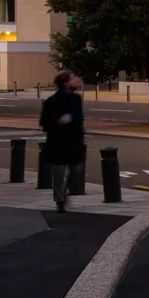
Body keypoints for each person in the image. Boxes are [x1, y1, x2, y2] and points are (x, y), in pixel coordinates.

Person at [39, 70, 86, 213]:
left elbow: (79, 120)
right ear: (65, 83)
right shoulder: (51, 102)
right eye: (73, 78)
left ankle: (64, 194)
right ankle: (60, 200)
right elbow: (44, 123)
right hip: (58, 142)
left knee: (76, 171)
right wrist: (58, 122)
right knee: (58, 174)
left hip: (74, 141)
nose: (76, 80)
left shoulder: (76, 99)